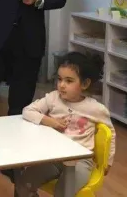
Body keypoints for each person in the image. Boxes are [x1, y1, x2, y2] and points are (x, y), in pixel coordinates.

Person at [16, 52, 115, 197]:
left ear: (85, 84)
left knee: (62, 193)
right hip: (54, 157)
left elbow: (110, 134)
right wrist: (50, 121)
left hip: (81, 162)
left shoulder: (96, 109)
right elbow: (27, 111)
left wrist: (108, 162)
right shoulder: (53, 98)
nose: (62, 85)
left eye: (69, 81)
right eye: (60, 79)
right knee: (23, 183)